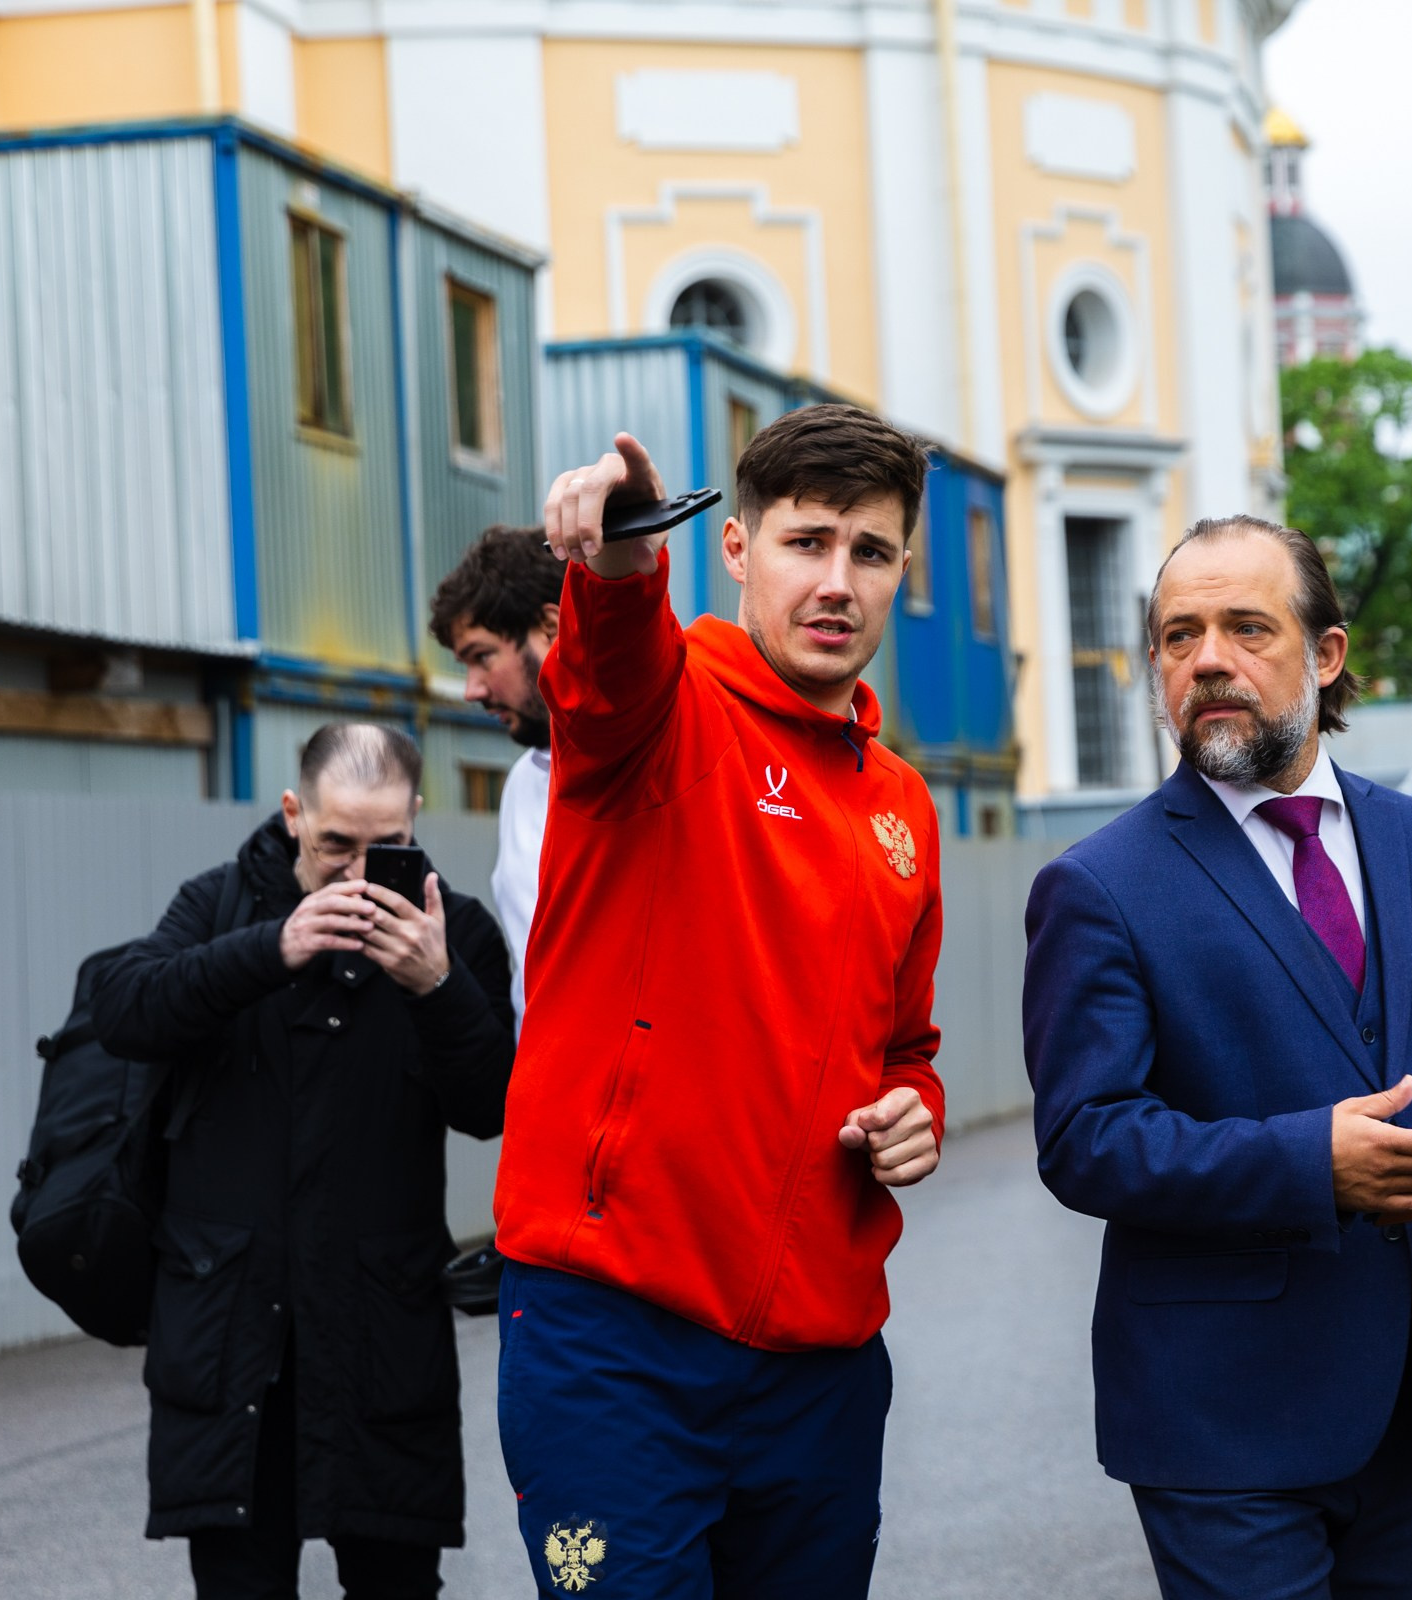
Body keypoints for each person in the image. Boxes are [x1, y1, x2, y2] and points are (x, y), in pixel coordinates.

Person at [1023, 516, 1412, 1600]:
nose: (1208, 658)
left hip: (1402, 1389)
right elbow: (1085, 1139)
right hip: (1216, 1416)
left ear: (1326, 655)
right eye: (1179, 636)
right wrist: (1307, 1161)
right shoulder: (1099, 885)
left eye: (1245, 627)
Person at [495, 405, 948, 1599]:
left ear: (903, 568)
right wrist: (619, 553)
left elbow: (907, 1045)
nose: (837, 580)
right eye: (806, 542)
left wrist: (915, 1108)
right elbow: (604, 672)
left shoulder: (904, 806)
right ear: (739, 548)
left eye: (871, 551)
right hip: (615, 1339)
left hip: (823, 1366)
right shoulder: (661, 711)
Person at [91, 723, 515, 1600]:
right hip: (232, 1343)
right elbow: (125, 1010)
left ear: (417, 820)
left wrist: (439, 988)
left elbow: (492, 1109)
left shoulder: (455, 931)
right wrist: (273, 946)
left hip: (378, 1345)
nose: (359, 874)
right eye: (336, 846)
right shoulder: (217, 907)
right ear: (293, 816)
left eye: (388, 847)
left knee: (396, 1583)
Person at [429, 525, 564, 1032]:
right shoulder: (522, 783)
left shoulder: (664, 762)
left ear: (550, 629)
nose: (471, 690)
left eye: (483, 657)